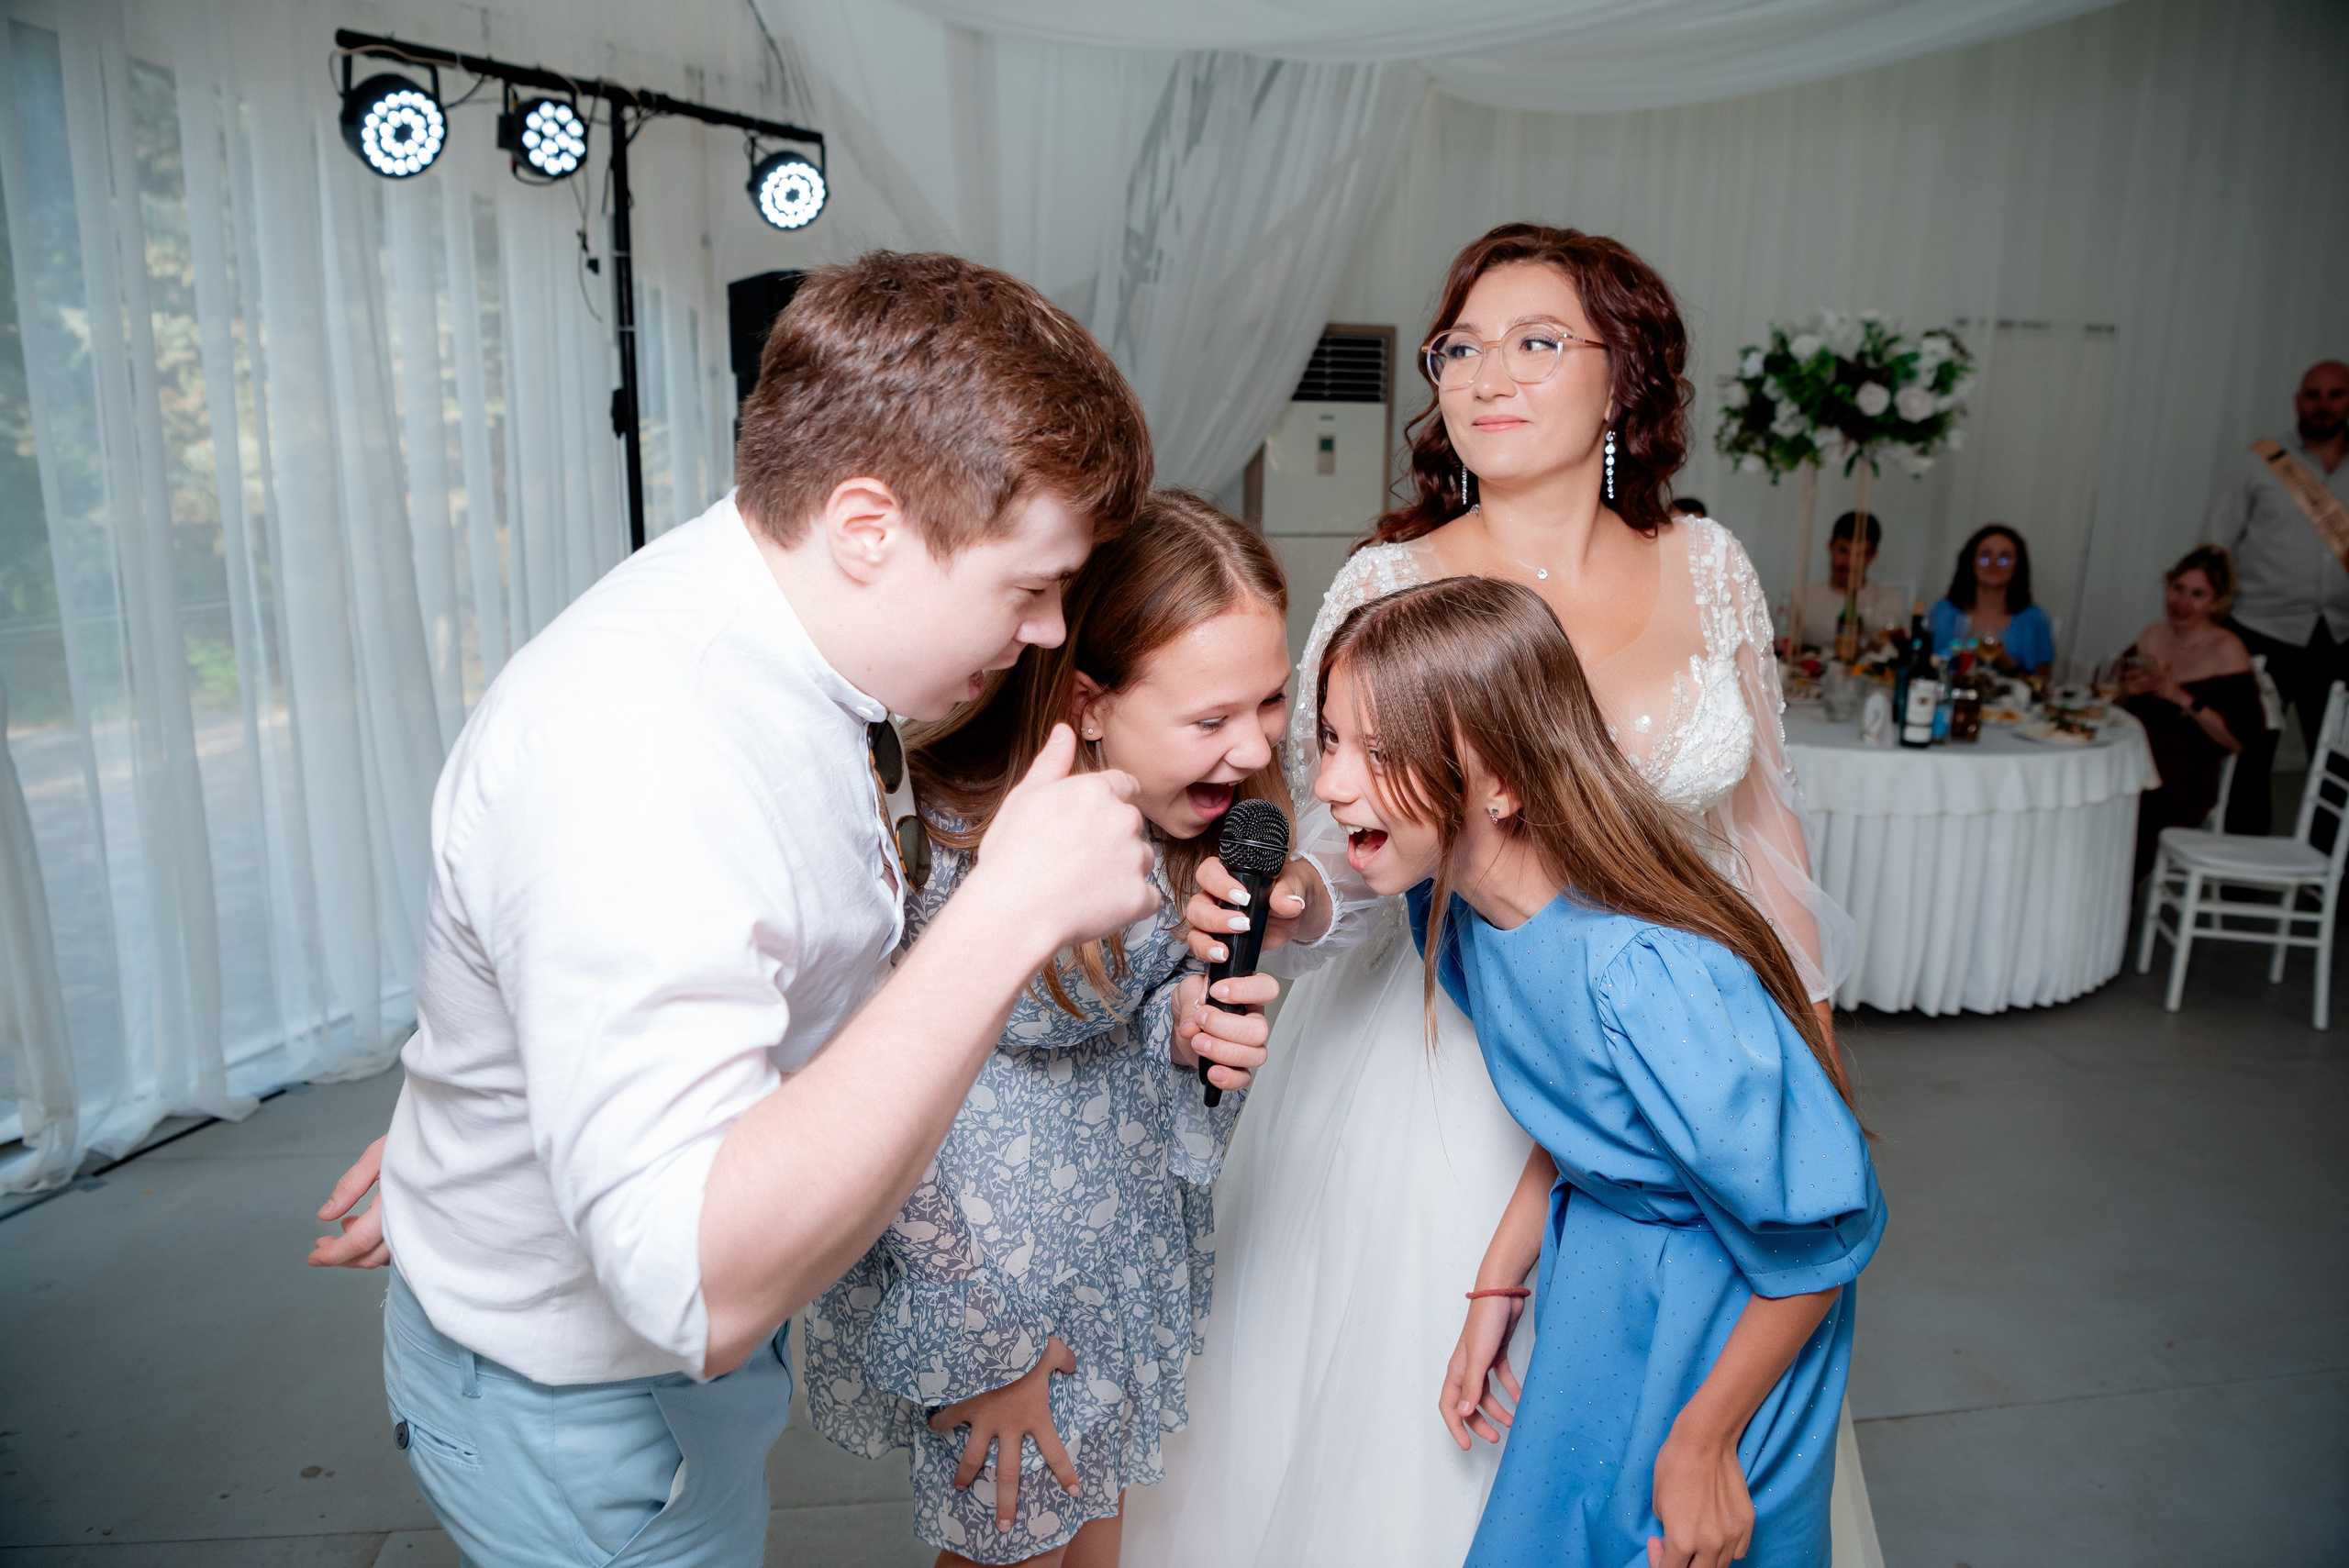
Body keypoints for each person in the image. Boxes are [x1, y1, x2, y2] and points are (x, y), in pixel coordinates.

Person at [297, 253, 1239, 1568]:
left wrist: (494, 1109)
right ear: (867, 527)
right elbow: (692, 1281)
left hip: (643, 1384)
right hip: (587, 1415)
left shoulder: (788, 633)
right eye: (1026, 586)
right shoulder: (644, 755)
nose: (1044, 633)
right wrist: (1006, 914)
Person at [1122, 223, 1859, 1568]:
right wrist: (1290, 898)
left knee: (1659, 1399)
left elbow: (1766, 848)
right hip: (1441, 1056)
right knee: (1430, 1436)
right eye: (1460, 347)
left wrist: (1807, 1064)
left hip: (1673, 1050)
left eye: (1534, 342)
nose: (1485, 374)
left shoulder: (1711, 565)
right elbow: (1355, 859)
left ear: (1622, 375)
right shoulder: (1389, 583)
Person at [1318, 575, 1881, 1568]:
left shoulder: (1646, 974)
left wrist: (1704, 1438)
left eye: (1380, 751)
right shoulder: (1460, 916)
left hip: (1728, 1325)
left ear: (1502, 781)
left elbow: (1826, 1237)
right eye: (1329, 740)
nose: (1329, 784)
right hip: (1603, 1296)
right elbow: (1587, 1116)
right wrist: (1500, 1283)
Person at [805, 494, 1288, 1568]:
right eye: (1210, 720)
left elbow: (1137, 1026)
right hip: (993, 1292)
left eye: (1272, 700)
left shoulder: (1173, 831)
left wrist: (1184, 1021)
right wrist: (987, 1346)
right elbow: (887, 1116)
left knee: (1091, 1543)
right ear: (1091, 701)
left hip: (1112, 1266)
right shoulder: (936, 845)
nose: (1252, 744)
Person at [2204, 360, 2349, 836]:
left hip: (2340, 635)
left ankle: (2329, 876)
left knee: (2340, 760)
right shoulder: (2260, 462)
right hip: (2261, 627)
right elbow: (2216, 544)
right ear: (2297, 400)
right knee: (2252, 750)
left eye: (2335, 395)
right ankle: (2244, 862)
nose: (2323, 406)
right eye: (2313, 395)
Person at [2121, 547, 2264, 878]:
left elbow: (2238, 740)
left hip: (2183, 774)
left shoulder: (2226, 649)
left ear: (2216, 603)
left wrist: (2181, 698)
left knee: (2132, 805)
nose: (2181, 602)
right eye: (2178, 589)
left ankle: (2113, 896)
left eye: (2197, 594)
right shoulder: (2153, 634)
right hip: (2136, 757)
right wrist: (2127, 691)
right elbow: (2113, 705)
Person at [1929, 524, 2054, 675]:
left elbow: (2042, 683)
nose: (1994, 564)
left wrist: (2004, 663)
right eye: (1985, 556)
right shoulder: (1943, 610)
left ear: (2018, 566)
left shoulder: (2034, 619)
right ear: (1971, 561)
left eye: (2005, 558)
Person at [1797, 510, 1906, 651]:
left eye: (1859, 554)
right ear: (1830, 546)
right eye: (1843, 550)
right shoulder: (1803, 599)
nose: (1849, 563)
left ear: (1872, 556)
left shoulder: (1891, 603)